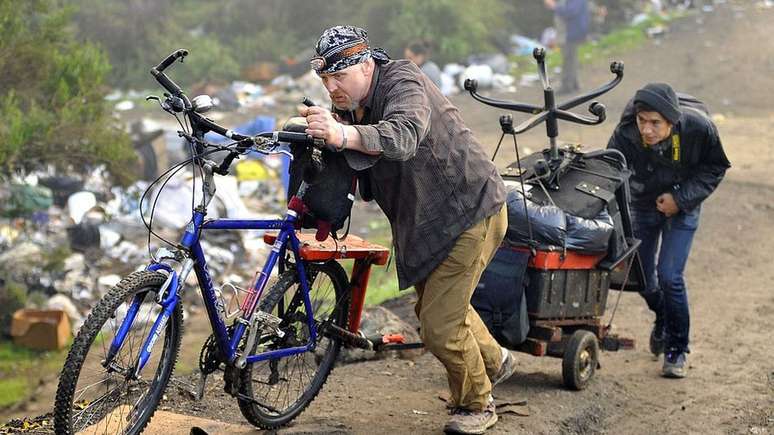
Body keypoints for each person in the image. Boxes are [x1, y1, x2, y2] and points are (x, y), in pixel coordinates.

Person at [300, 25, 517, 434]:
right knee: (442, 309)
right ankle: (496, 361)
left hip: (468, 211)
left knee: (439, 326)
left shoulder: (403, 80)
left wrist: (343, 133)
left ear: (366, 65)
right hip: (422, 223)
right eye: (325, 80)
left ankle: (478, 405)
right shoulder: (350, 105)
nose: (332, 88)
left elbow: (403, 136)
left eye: (339, 77)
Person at [607, 83, 730, 378]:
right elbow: (611, 173)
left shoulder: (699, 128)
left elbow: (715, 168)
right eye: (642, 121)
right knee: (643, 279)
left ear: (672, 123)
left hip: (683, 202)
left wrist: (680, 199)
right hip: (645, 203)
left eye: (655, 123)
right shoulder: (626, 132)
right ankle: (663, 317)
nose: (646, 130)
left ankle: (676, 348)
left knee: (670, 276)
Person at [543, 0, 590, 95]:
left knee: (568, 59)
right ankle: (574, 83)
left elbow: (570, 12)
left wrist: (554, 6)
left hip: (570, 33)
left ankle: (567, 86)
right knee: (572, 58)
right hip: (572, 32)